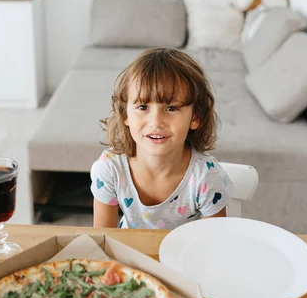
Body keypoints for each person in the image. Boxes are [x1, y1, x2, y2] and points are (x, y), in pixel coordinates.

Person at [91, 48, 233, 229]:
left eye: (172, 108)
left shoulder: (207, 177)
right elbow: (103, 241)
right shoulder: (110, 168)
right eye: (143, 107)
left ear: (195, 118)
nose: (156, 122)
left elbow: (212, 245)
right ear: (125, 114)